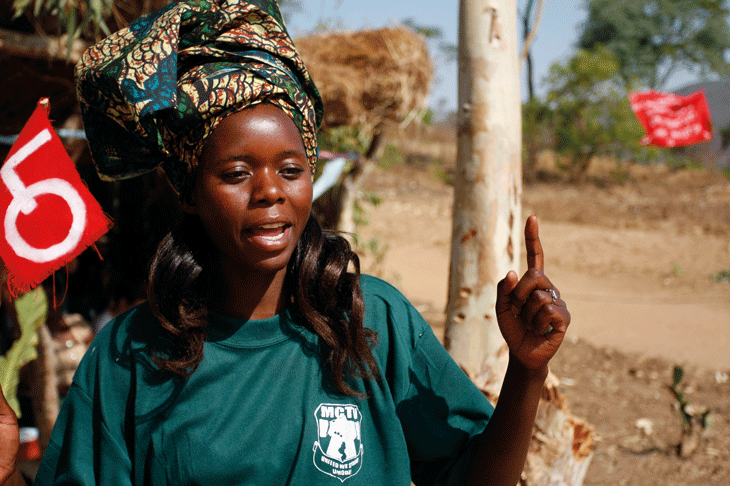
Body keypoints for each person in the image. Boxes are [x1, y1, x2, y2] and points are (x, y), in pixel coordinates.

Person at [0, 0, 570, 484]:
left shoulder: (374, 323)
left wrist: (525, 371)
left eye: (291, 170)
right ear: (189, 191)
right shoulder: (131, 354)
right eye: (237, 172)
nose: (270, 192)